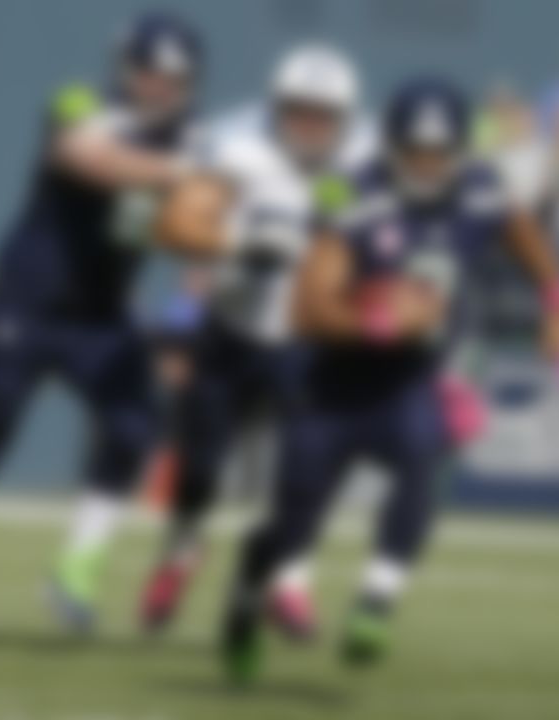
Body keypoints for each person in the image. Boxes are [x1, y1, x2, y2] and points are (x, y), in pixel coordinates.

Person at [220, 76, 559, 682]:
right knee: (295, 512)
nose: (427, 165)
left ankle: (377, 600)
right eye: (415, 151)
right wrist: (382, 319)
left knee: (419, 452)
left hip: (409, 378)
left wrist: (558, 296)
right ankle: (254, 592)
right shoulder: (351, 194)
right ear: (390, 145)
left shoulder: (481, 188)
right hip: (332, 379)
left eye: (439, 153)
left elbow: (520, 230)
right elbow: (308, 308)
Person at [0, 11, 204, 642]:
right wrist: (176, 174)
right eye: (149, 72)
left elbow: (198, 233)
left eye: (173, 78)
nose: (159, 87)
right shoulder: (82, 101)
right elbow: (86, 157)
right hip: (26, 301)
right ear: (126, 67)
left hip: (102, 313)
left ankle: (77, 566)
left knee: (135, 426)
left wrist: (195, 287)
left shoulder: (193, 141)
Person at [143, 44, 373, 636]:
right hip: (233, 328)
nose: (310, 123)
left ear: (345, 116)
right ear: (276, 105)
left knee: (304, 472)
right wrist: (239, 246)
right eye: (298, 109)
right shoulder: (237, 143)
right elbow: (172, 223)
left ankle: (290, 578)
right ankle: (182, 549)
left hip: (309, 337)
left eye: (324, 113)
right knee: (199, 472)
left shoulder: (370, 156)